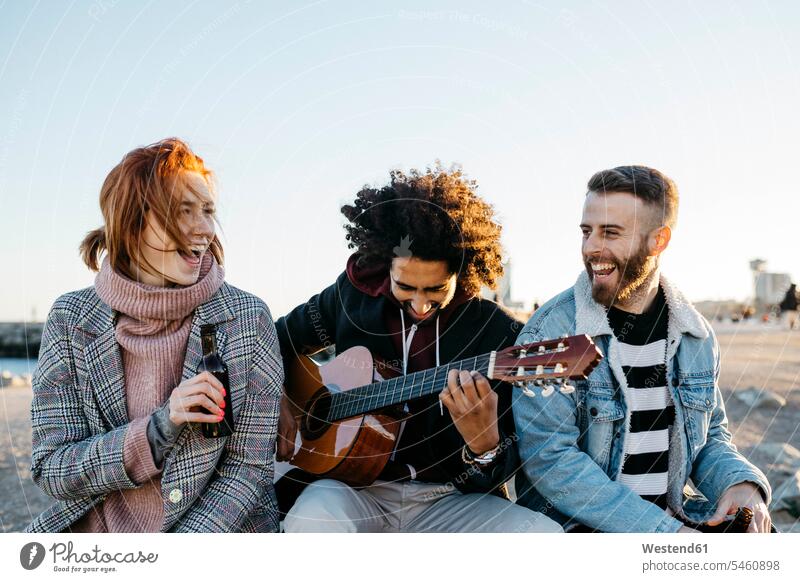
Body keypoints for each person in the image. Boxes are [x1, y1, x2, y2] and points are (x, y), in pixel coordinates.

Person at [276, 166, 561, 532]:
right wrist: (280, 395)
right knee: (311, 522)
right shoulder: (351, 297)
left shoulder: (498, 334)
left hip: (448, 498)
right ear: (385, 265)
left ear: (464, 272)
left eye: (435, 290)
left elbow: (508, 470)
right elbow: (271, 340)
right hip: (352, 490)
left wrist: (484, 444)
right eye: (406, 286)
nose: (420, 304)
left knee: (543, 537)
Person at [26, 138, 283, 533]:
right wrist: (159, 428)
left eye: (208, 211)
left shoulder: (247, 319)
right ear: (132, 222)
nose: (204, 230)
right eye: (183, 211)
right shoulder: (70, 319)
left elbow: (249, 470)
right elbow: (52, 469)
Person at [513, 165, 772, 533]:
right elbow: (551, 462)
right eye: (587, 232)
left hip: (671, 517)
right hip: (575, 528)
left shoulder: (694, 335)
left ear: (659, 240)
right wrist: (662, 534)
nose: (591, 248)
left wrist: (739, 482)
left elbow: (709, 435)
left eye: (610, 233)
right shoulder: (549, 332)